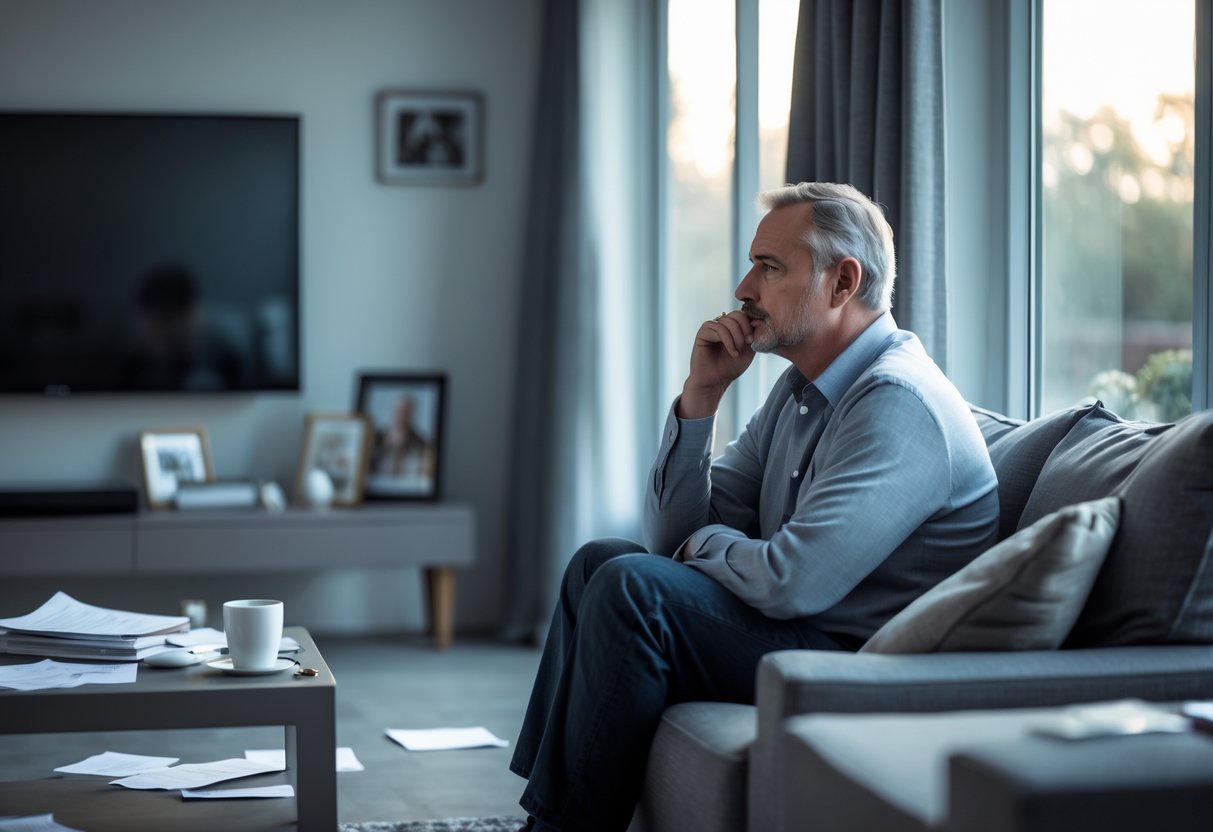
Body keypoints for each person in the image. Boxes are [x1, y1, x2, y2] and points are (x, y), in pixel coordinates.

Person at [508, 182, 1000, 832]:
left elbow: (791, 579)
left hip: (857, 664)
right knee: (598, 563)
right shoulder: (799, 391)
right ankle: (549, 816)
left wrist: (698, 548)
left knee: (634, 590)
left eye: (769, 268)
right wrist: (701, 397)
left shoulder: (897, 402)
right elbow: (667, 538)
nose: (743, 289)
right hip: (803, 630)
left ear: (842, 281)